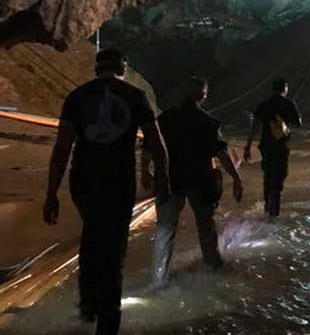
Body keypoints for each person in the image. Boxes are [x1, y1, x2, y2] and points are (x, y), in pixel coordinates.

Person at [43, 49, 170, 335]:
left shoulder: (77, 96)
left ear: (97, 68)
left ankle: (88, 307)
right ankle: (107, 320)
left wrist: (51, 194)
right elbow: (156, 144)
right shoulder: (135, 96)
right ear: (123, 68)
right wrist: (164, 180)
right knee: (114, 249)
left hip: (83, 181)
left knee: (92, 234)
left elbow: (62, 149)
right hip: (118, 181)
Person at [145, 77, 244, 286]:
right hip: (200, 180)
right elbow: (222, 154)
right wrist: (236, 178)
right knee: (205, 225)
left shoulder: (165, 119)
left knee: (165, 228)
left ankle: (159, 277)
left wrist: (145, 172)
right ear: (203, 97)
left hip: (170, 178)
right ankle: (213, 268)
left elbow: (149, 147)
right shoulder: (208, 122)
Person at [244, 77, 302, 217]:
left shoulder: (263, 104)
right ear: (285, 88)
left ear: (272, 88)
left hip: (265, 146)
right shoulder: (288, 103)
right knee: (278, 177)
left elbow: (255, 127)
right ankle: (273, 214)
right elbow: (298, 123)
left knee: (268, 175)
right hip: (281, 145)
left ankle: (267, 207)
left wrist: (248, 145)